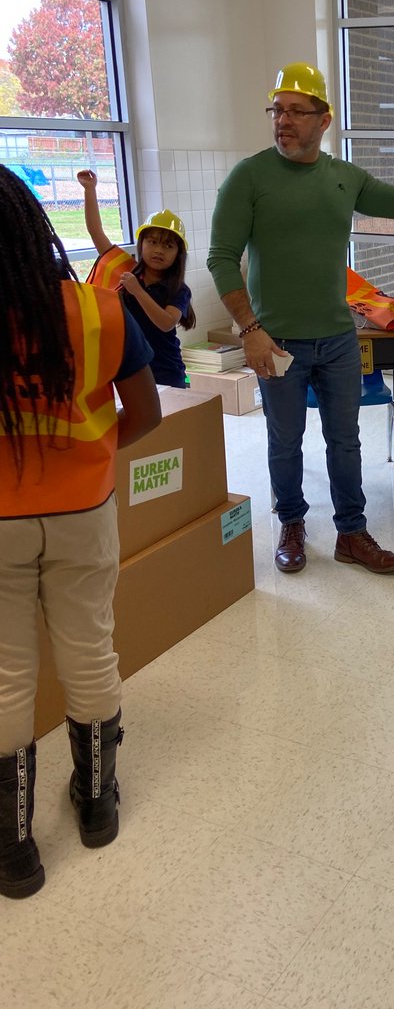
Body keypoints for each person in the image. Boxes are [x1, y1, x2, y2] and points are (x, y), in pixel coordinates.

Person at [208, 62, 394, 575]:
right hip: (276, 342)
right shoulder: (248, 178)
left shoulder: (343, 178)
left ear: (323, 120)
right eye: (277, 110)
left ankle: (351, 533)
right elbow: (220, 256)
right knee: (284, 441)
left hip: (339, 339)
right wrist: (250, 332)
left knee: (345, 440)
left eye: (297, 111)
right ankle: (293, 524)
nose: (284, 120)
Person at [0, 165, 161, 899]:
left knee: (5, 676)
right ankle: (96, 808)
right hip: (83, 512)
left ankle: (14, 851)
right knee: (90, 651)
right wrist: (91, 459)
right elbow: (146, 414)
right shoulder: (97, 311)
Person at [78, 169, 196, 387]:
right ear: (141, 244)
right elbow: (96, 232)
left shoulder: (179, 289)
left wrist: (138, 291)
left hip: (165, 370)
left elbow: (166, 323)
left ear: (178, 254)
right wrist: (90, 190)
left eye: (168, 245)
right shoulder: (126, 269)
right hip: (128, 368)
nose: (158, 250)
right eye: (152, 242)